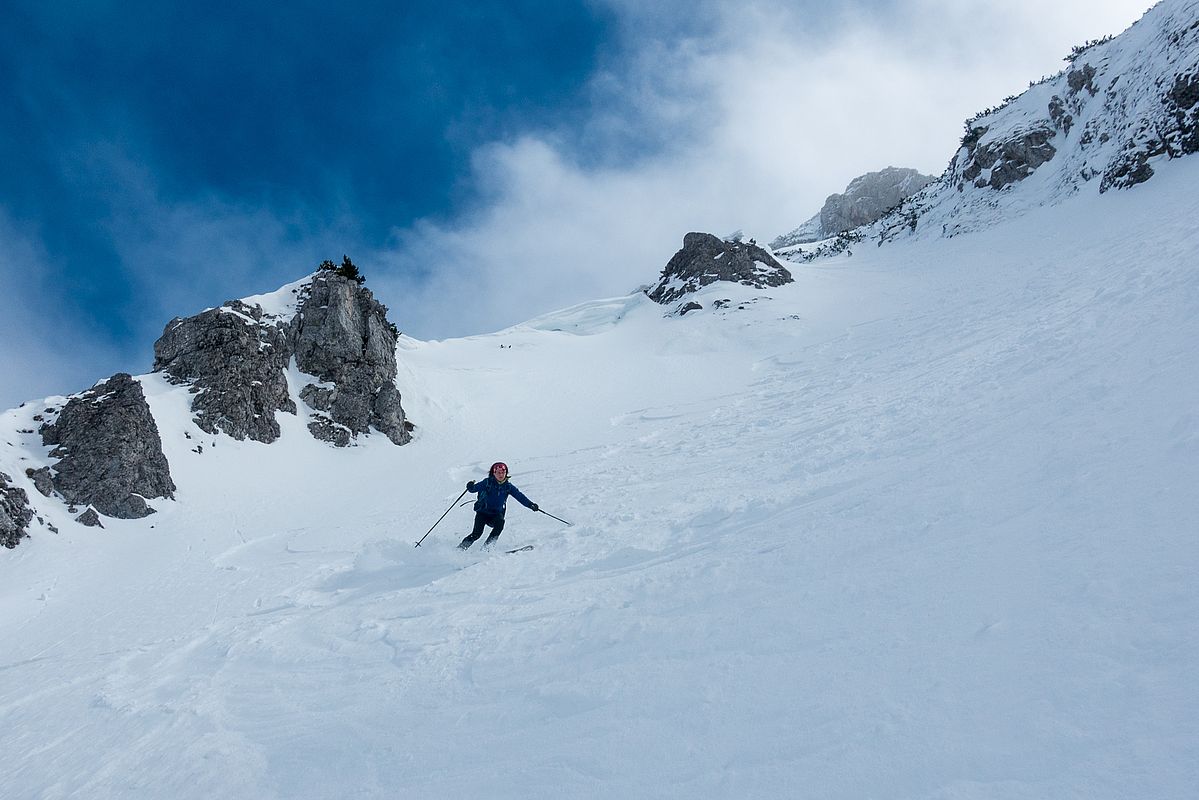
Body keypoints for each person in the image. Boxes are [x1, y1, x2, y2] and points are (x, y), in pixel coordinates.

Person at [458, 461, 539, 550]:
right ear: (494, 473)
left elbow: (519, 496)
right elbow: (474, 489)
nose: (501, 475)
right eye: (498, 473)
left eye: (503, 473)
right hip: (482, 513)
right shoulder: (487, 482)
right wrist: (470, 486)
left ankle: (486, 549)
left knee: (500, 523)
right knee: (476, 534)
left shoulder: (508, 486)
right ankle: (460, 549)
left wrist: (530, 505)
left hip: (496, 515)